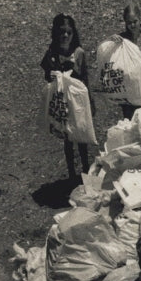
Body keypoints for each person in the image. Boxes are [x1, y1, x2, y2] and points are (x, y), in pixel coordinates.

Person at [40, 13, 95, 185]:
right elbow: (46, 75)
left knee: (81, 136)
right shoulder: (52, 54)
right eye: (61, 32)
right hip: (62, 103)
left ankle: (86, 171)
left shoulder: (78, 53)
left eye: (69, 32)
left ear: (73, 34)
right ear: (56, 33)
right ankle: (72, 174)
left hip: (77, 102)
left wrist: (90, 104)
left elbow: (85, 79)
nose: (65, 36)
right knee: (67, 138)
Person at [119, 2, 141, 120]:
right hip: (127, 89)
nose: (132, 25)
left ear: (140, 19)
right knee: (128, 120)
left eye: (135, 21)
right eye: (129, 23)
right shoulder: (121, 40)